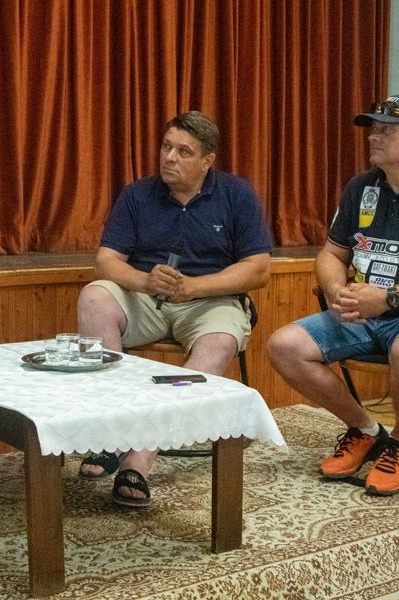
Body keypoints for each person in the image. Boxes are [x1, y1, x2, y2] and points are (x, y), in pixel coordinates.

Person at [266, 95, 399, 495]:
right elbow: (332, 254)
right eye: (373, 128)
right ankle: (365, 430)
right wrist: (336, 289)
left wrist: (389, 299)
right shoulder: (362, 186)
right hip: (364, 314)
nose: (373, 136)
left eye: (387, 129)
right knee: (284, 346)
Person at [76, 111, 271, 507]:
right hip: (147, 297)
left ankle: (140, 458)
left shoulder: (237, 195)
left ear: (207, 160)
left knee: (219, 342)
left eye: (184, 152)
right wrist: (144, 281)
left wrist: (196, 286)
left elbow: (258, 269)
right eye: (166, 147)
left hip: (209, 301)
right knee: (94, 297)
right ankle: (112, 434)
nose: (169, 157)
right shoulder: (137, 194)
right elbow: (106, 262)